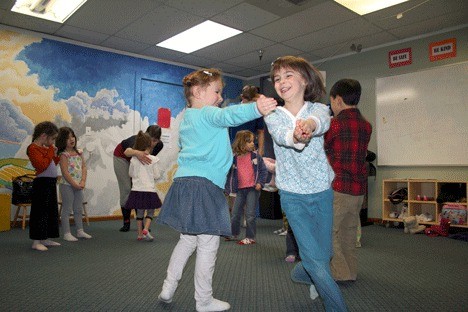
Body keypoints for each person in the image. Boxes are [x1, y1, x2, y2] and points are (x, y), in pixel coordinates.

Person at [156, 68, 276, 312]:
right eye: (217, 91)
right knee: (208, 242)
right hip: (204, 186)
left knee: (187, 240)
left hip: (185, 184)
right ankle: (203, 300)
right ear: (199, 92)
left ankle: (168, 288)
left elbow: (190, 145)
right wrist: (256, 108)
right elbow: (229, 116)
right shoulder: (209, 113)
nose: (220, 97)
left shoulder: (187, 118)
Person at [264, 56, 348, 311]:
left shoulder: (319, 108)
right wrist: (297, 135)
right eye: (277, 78)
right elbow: (283, 136)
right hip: (292, 195)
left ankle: (304, 273)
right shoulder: (273, 115)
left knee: (323, 256)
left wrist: (308, 126)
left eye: (288, 75)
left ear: (304, 80)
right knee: (314, 259)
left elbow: (320, 123)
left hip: (322, 191)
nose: (282, 82)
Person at [324, 79, 372, 282]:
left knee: (329, 232)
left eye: (331, 100)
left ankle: (340, 273)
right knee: (349, 233)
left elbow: (324, 148)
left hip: (339, 187)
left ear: (338, 100)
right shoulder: (366, 125)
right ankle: (350, 272)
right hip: (358, 189)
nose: (331, 106)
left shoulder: (334, 124)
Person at [113, 125, 163, 232]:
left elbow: (148, 160)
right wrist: (137, 153)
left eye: (155, 141)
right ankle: (126, 222)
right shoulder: (137, 140)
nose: (152, 143)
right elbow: (127, 152)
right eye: (150, 140)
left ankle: (141, 225)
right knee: (126, 189)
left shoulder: (159, 145)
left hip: (135, 162)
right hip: (122, 158)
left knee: (139, 188)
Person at [225, 130, 268, 245]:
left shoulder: (255, 156)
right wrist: (228, 189)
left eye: (253, 141)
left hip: (252, 189)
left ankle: (250, 237)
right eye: (249, 141)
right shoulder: (234, 158)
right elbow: (230, 175)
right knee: (235, 213)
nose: (253, 143)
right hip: (239, 190)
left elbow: (263, 171)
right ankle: (234, 233)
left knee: (250, 214)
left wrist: (260, 183)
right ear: (241, 143)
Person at [27, 121, 61, 251]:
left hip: (51, 182)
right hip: (41, 183)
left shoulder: (47, 149)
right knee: (40, 212)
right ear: (43, 136)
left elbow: (53, 163)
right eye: (52, 139)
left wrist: (54, 155)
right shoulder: (33, 148)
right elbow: (41, 165)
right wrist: (51, 151)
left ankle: (45, 238)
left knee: (50, 210)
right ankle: (36, 241)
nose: (52, 142)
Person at [124, 131, 162, 241]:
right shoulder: (153, 159)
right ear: (150, 145)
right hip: (149, 190)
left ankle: (140, 234)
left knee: (139, 212)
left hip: (137, 190)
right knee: (150, 211)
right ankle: (146, 228)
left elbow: (130, 174)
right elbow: (156, 175)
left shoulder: (134, 159)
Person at [56, 127, 92, 242]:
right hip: (67, 185)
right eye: (67, 138)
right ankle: (67, 233)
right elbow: (65, 172)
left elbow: (84, 167)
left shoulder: (79, 152)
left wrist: (82, 181)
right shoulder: (63, 155)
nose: (71, 139)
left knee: (78, 208)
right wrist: (74, 184)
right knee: (67, 209)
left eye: (72, 136)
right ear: (62, 140)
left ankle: (80, 231)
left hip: (78, 186)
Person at [229, 85, 265, 155]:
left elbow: (261, 132)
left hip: (250, 148)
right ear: (242, 97)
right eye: (248, 102)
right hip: (234, 148)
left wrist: (261, 149)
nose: (250, 104)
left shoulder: (257, 112)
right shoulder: (232, 109)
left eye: (252, 102)